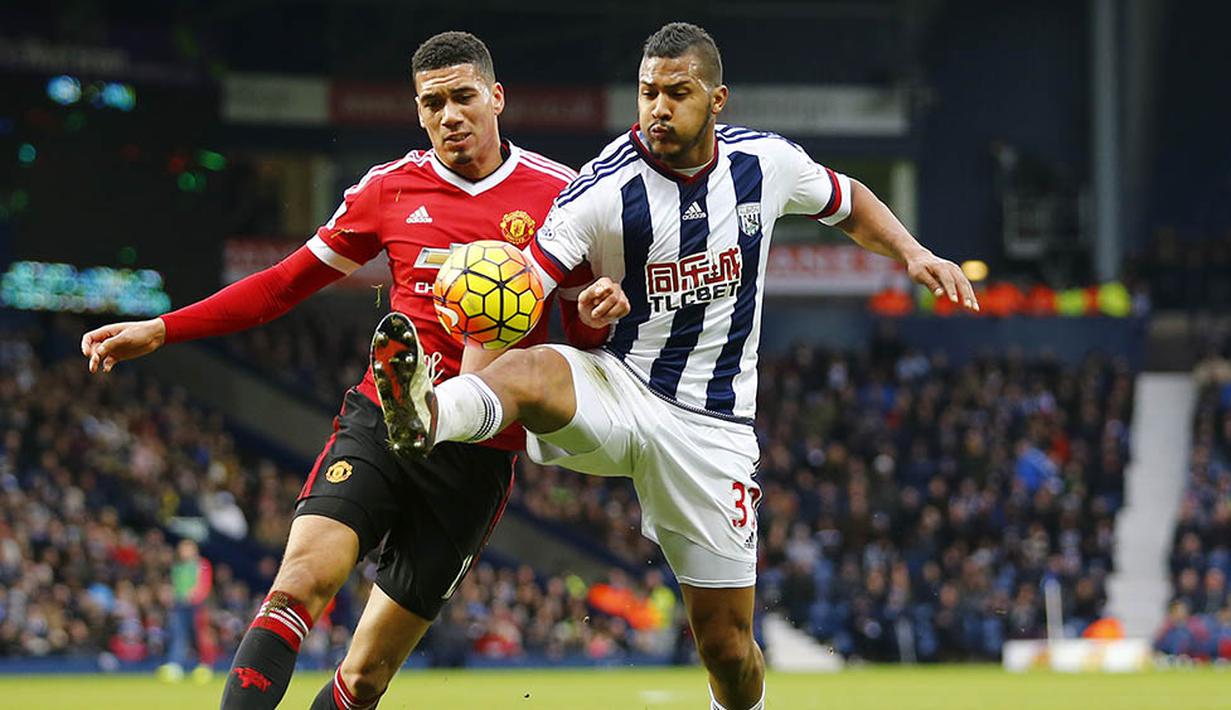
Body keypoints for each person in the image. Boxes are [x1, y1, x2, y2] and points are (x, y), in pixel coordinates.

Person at [374, 22, 979, 710]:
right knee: (531, 368)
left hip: (713, 429)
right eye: (647, 93)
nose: (657, 108)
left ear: (716, 99)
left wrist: (912, 253)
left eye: (676, 93)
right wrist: (555, 317)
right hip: (623, 388)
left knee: (727, 647)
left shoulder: (766, 164)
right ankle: (428, 413)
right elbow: (518, 295)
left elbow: (847, 201)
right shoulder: (601, 188)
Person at [80, 31, 623, 710]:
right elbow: (282, 284)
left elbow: (581, 333)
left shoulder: (561, 194)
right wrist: (163, 328)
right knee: (298, 585)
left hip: (477, 452)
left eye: (463, 97)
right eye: (433, 103)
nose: (450, 115)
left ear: (496, 97)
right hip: (384, 421)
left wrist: (594, 315)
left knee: (364, 678)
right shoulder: (388, 189)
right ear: (418, 111)